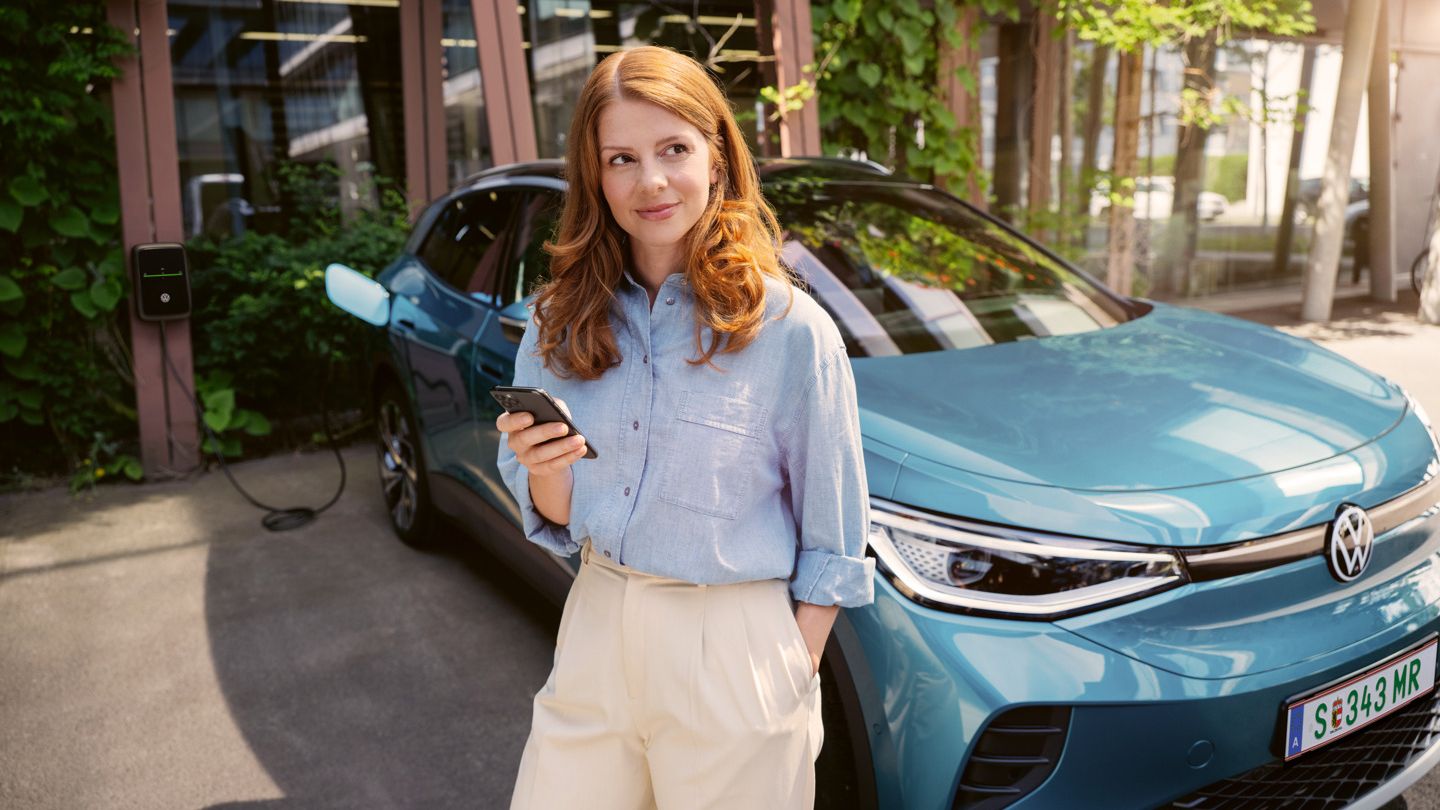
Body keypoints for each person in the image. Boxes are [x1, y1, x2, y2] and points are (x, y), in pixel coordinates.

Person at [496, 44, 874, 810]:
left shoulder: (791, 330)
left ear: (718, 159)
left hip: (732, 644)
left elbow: (834, 532)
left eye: (674, 149)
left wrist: (789, 666)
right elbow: (564, 517)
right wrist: (543, 468)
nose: (653, 181)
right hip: (597, 620)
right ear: (596, 178)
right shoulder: (556, 322)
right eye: (622, 159)